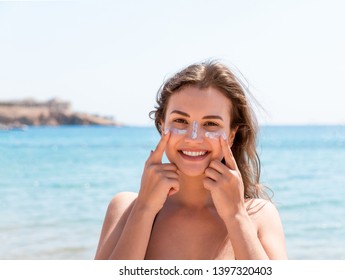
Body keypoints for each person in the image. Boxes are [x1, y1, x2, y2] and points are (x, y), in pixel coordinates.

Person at [94, 60, 287, 260]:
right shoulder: (125, 209)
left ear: (231, 135)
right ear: (162, 125)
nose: (193, 138)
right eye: (180, 121)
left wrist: (235, 216)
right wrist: (144, 209)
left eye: (211, 123)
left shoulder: (258, 215)